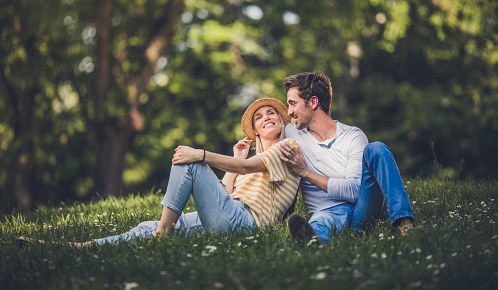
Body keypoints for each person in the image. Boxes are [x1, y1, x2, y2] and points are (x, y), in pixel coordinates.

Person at [18, 98, 300, 247]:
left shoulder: (287, 147)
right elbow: (226, 193)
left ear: (281, 120)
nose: (266, 118)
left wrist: (200, 155)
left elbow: (249, 166)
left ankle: (163, 234)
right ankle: (80, 245)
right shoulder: (252, 158)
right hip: (230, 215)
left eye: (271, 113)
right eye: (259, 117)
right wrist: (236, 157)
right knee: (144, 228)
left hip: (246, 223)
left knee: (190, 162)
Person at [278, 72, 414, 245]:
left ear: (313, 102)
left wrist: (305, 172)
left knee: (377, 148)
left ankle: (405, 225)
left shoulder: (353, 136)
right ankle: (313, 243)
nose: (289, 112)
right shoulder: (291, 133)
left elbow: (356, 190)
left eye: (293, 104)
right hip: (325, 212)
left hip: (362, 213)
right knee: (320, 221)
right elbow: (266, 145)